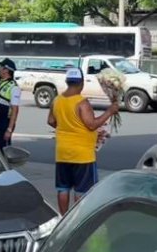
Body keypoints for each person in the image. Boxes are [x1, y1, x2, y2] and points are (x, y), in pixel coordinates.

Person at [47, 68, 118, 214]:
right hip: (82, 155)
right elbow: (91, 124)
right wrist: (109, 111)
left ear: (67, 82)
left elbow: (51, 121)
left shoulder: (57, 100)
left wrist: (66, 128)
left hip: (62, 152)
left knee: (63, 188)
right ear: (81, 83)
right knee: (82, 190)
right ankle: (78, 218)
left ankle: (63, 217)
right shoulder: (82, 103)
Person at [0, 58, 22, 149]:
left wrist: (9, 129)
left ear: (6, 70)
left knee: (2, 148)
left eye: (0, 67)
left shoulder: (14, 87)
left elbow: (15, 110)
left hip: (4, 122)